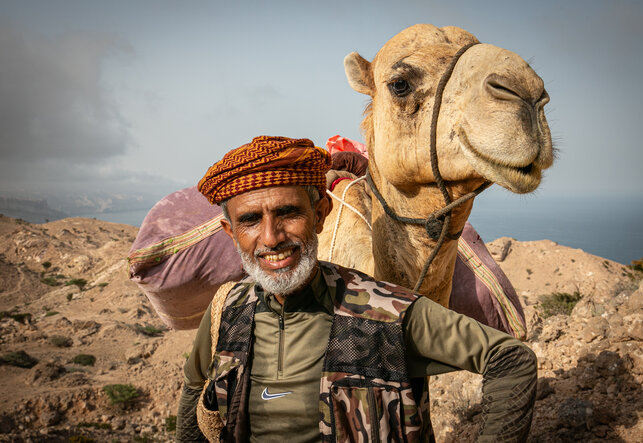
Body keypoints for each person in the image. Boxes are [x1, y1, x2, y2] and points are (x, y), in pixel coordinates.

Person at [176, 136, 537, 442]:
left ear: (320, 214)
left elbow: (510, 359)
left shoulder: (384, 311)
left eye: (288, 213)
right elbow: (195, 390)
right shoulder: (228, 308)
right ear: (231, 232)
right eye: (250, 220)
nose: (271, 238)